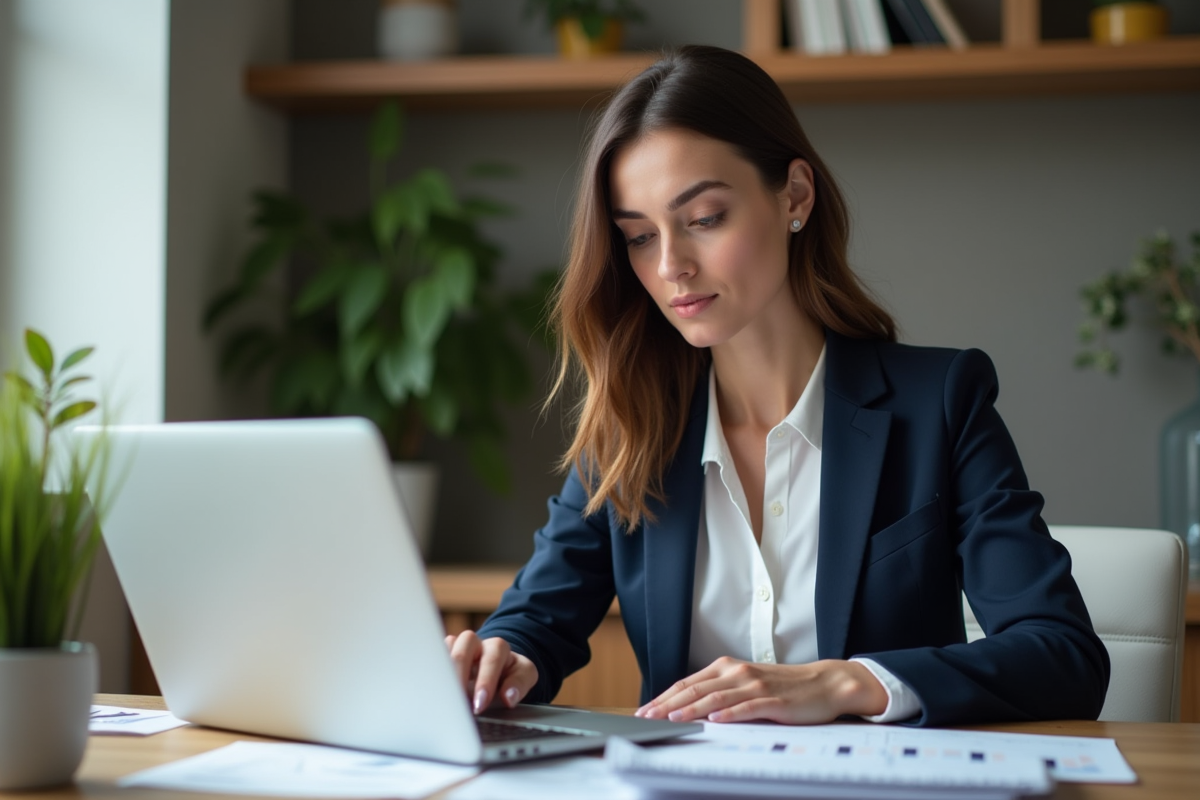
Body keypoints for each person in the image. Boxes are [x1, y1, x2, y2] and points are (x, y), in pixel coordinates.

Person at [445, 44, 1109, 727]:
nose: (671, 265)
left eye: (704, 219)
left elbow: (1063, 656)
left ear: (794, 195)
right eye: (639, 237)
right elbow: (535, 621)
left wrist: (847, 682)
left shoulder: (940, 402)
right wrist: (500, 659)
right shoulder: (631, 426)